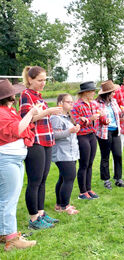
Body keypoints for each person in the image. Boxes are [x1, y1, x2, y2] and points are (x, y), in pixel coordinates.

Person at [20, 66, 63, 229]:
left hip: (46, 139)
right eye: (40, 80)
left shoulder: (39, 96)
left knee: (43, 180)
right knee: (34, 181)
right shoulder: (26, 95)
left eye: (45, 80)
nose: (43, 83)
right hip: (35, 141)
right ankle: (33, 220)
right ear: (30, 80)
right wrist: (48, 111)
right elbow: (26, 119)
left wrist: (50, 112)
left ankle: (41, 213)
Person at [0, 79, 40, 251]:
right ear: (9, 96)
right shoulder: (1, 113)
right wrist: (31, 113)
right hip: (7, 159)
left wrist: (34, 114)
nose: (15, 96)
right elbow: (17, 129)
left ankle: (6, 233)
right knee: (8, 199)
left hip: (13, 159)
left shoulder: (8, 110)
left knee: (10, 197)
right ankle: (11, 239)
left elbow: (23, 127)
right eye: (13, 94)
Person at [71, 81, 102, 200]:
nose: (94, 94)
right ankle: (82, 192)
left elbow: (99, 117)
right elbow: (75, 121)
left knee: (90, 164)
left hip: (92, 135)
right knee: (83, 164)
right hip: (82, 135)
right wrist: (90, 119)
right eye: (92, 91)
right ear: (86, 93)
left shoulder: (93, 104)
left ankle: (89, 189)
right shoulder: (76, 105)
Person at [50, 94, 80, 215]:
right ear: (60, 103)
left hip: (71, 153)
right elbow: (54, 135)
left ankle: (59, 204)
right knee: (69, 178)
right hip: (62, 154)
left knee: (63, 178)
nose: (71, 104)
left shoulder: (67, 117)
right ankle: (65, 206)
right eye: (68, 102)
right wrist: (70, 131)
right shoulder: (56, 117)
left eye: (72, 102)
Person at [96, 80, 124, 189]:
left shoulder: (114, 101)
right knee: (105, 156)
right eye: (112, 92)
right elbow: (97, 118)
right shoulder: (98, 104)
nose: (114, 94)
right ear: (107, 93)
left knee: (118, 154)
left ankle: (118, 179)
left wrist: (123, 111)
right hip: (104, 132)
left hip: (115, 131)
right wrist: (103, 119)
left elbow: (119, 114)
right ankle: (106, 180)